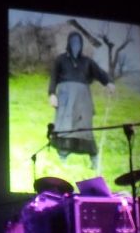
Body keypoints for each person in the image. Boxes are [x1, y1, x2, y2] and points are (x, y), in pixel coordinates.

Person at [48, 31, 115, 169]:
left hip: (83, 99)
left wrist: (108, 82)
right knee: (65, 127)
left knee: (84, 128)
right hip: (65, 97)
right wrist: (52, 94)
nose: (75, 45)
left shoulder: (87, 61)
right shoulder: (60, 59)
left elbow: (99, 73)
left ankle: (94, 158)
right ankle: (63, 155)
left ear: (81, 44)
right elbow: (53, 77)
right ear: (69, 43)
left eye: (78, 42)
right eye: (73, 42)